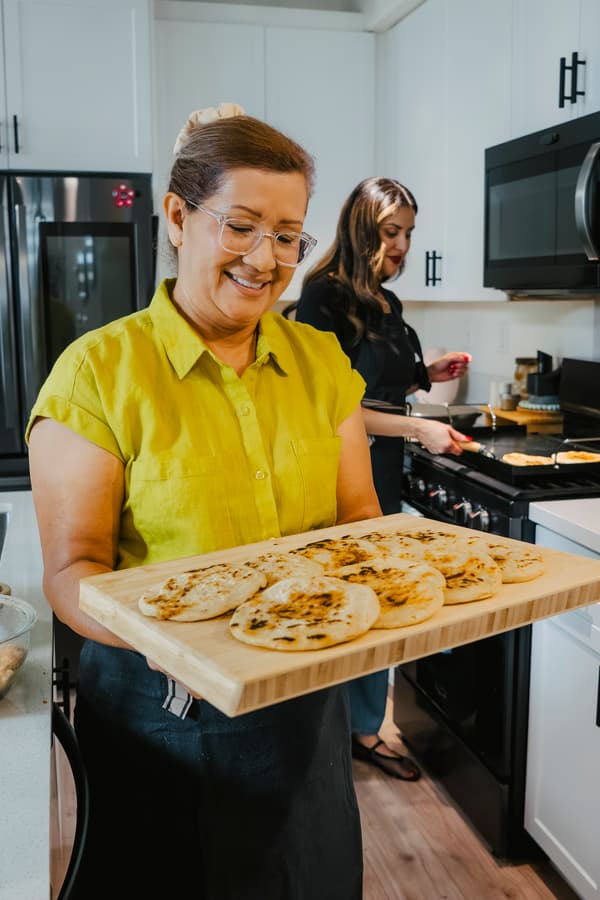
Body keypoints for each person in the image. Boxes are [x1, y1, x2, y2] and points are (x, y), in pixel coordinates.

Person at [27, 105, 383, 900]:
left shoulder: (321, 362)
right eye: (243, 225)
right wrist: (168, 640)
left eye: (288, 234)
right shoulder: (98, 376)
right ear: (179, 217)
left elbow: (361, 520)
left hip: (307, 704)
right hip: (164, 716)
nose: (267, 258)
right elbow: (71, 571)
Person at [294, 176, 472, 781]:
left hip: (386, 465)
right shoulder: (323, 297)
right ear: (361, 228)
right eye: (391, 232)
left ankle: (366, 727)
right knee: (345, 596)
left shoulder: (385, 302)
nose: (401, 245)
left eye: (408, 234)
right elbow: (330, 404)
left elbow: (386, 380)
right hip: (346, 466)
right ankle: (328, 734)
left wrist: (428, 371)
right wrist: (419, 431)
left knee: (382, 599)